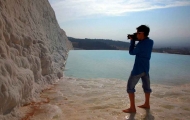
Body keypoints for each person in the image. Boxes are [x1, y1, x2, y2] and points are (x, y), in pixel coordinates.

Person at [122, 25, 154, 113]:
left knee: (130, 88)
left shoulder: (140, 45)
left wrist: (132, 41)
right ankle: (147, 104)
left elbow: (131, 52)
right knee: (147, 87)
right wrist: (137, 38)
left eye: (138, 33)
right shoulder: (151, 42)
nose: (136, 34)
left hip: (138, 69)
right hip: (146, 69)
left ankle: (132, 108)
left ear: (142, 33)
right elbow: (144, 43)